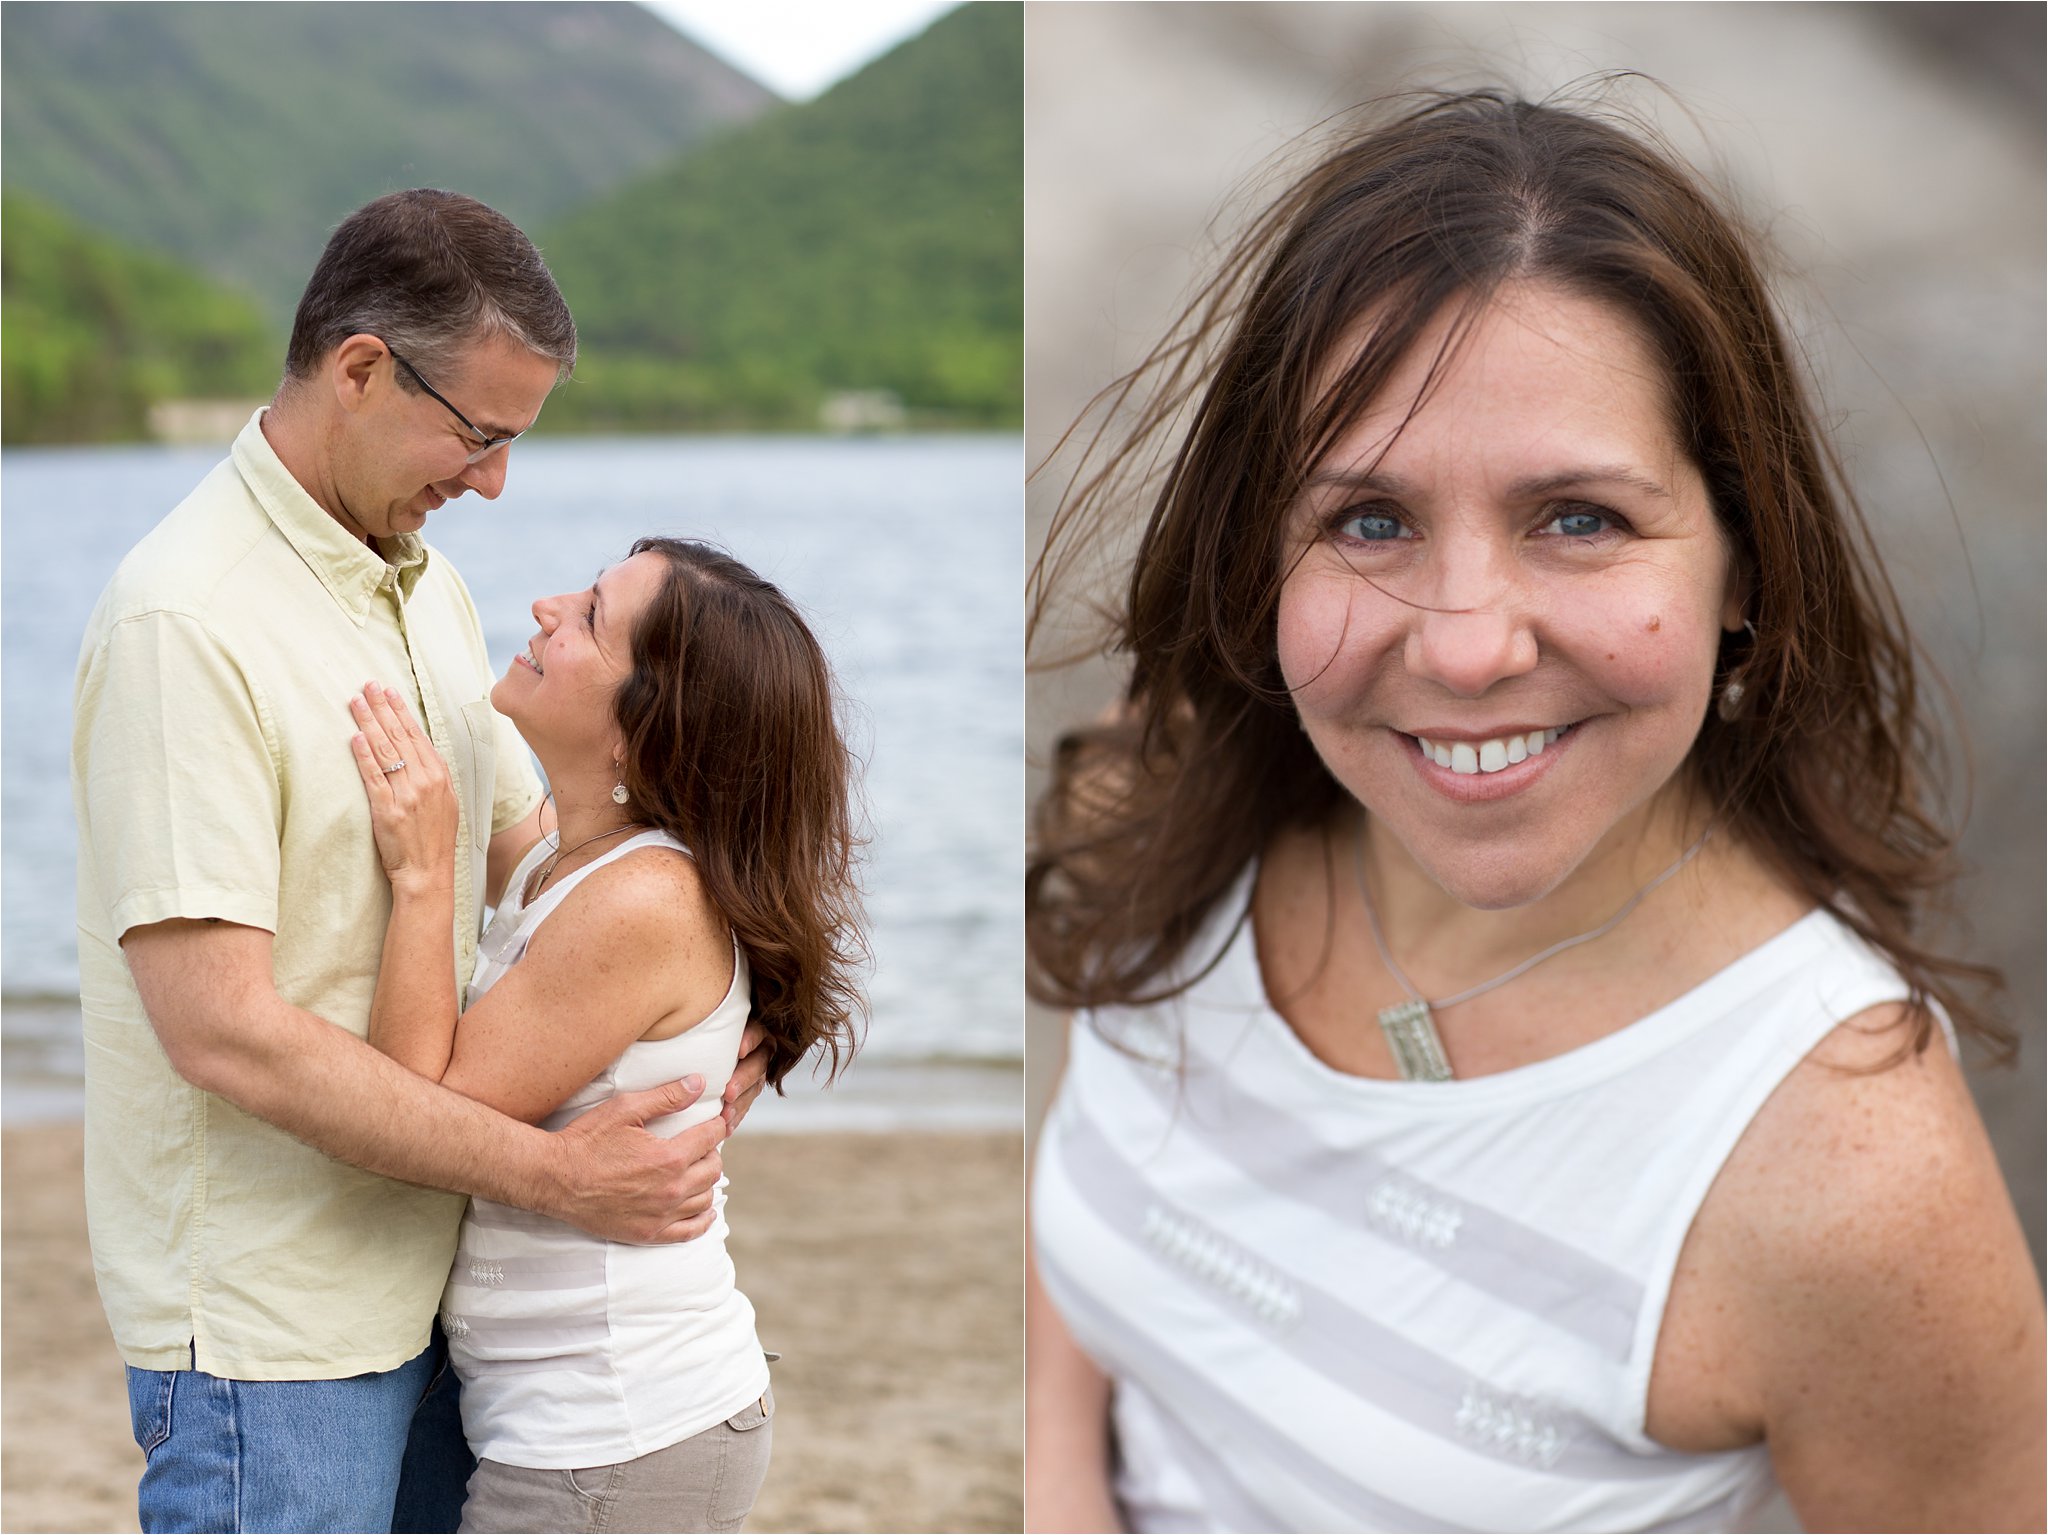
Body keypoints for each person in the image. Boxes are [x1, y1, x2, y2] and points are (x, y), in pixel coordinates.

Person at [1024, 90, 2045, 1533]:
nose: (1463, 644)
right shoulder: (1176, 797)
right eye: (1368, 519)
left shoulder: (1851, 1176)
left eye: (1580, 517)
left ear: (1745, 562)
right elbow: (1093, 1252)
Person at [70, 189, 770, 1535]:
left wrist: (730, 1016)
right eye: (483, 433)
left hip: (441, 1304)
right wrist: (560, 1177)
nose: (496, 481)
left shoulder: (422, 585)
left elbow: (549, 857)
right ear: (360, 368)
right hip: (275, 1337)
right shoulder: (186, 621)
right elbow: (225, 1033)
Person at [344, 536, 864, 1532]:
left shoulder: (646, 897)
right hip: (589, 1424)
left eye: (589, 617)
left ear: (643, 729)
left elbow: (415, 1117)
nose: (544, 606)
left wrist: (421, 873)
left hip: (613, 1436)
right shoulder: (567, 856)